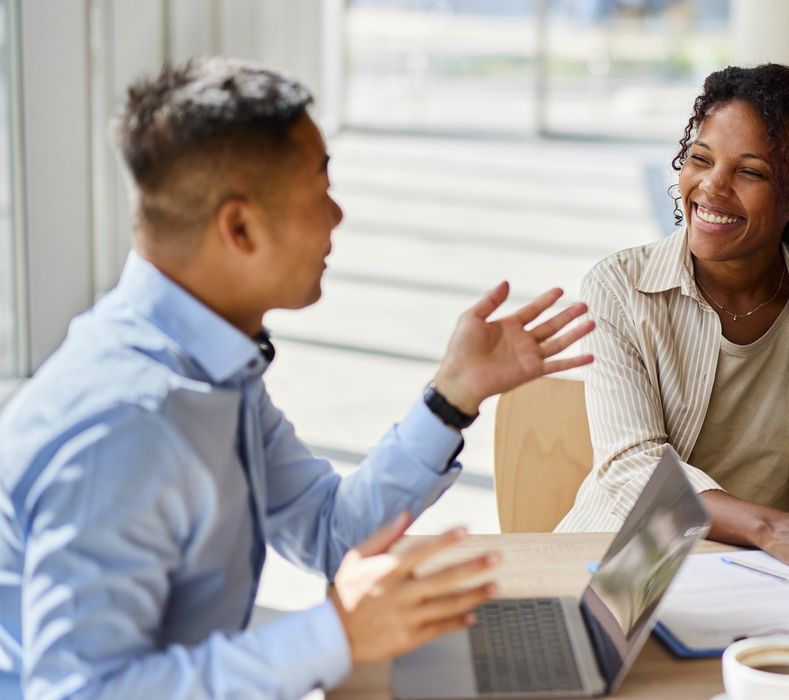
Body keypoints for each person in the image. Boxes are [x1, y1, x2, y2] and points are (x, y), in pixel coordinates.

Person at [0, 58, 594, 698]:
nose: (337, 215)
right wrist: (333, 635)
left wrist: (454, 395)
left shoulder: (210, 366)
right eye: (320, 188)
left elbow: (332, 531)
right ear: (239, 228)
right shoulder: (125, 427)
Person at [556, 65, 789, 578]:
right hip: (626, 568)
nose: (712, 186)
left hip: (773, 576)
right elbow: (633, 467)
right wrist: (771, 528)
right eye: (700, 159)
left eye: (750, 172)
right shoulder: (621, 288)